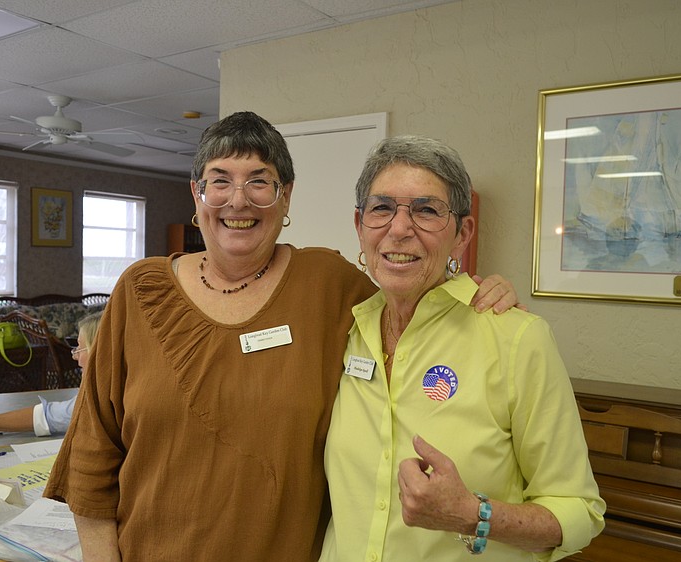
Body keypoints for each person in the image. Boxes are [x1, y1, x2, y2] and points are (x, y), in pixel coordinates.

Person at [43, 112, 520, 561]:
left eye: (259, 181)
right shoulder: (140, 291)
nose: (238, 199)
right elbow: (92, 455)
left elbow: (413, 298)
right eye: (220, 180)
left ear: (285, 196)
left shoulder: (329, 285)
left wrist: (474, 289)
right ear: (196, 194)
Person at [319, 135, 605, 561]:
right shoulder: (341, 328)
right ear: (360, 225)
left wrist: (471, 515)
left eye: (426, 210)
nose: (399, 229)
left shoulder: (516, 340)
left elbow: (581, 513)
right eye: (381, 208)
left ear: (462, 233)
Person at [0, 311, 103, 435]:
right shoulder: (96, 395)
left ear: (100, 352)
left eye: (80, 348)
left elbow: (49, 417)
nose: (74, 356)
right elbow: (48, 416)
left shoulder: (99, 400)